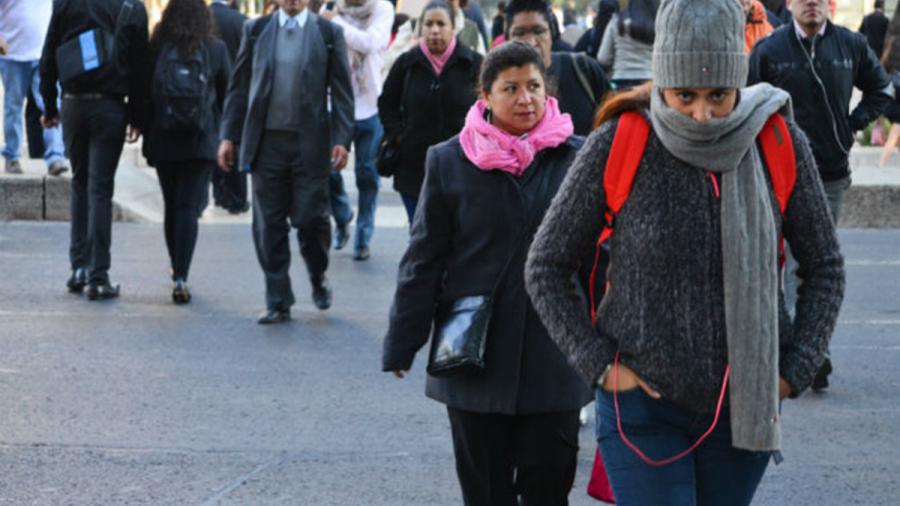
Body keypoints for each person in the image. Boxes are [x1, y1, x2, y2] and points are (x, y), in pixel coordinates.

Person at [526, 0, 845, 503]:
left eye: (719, 95)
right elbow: (546, 265)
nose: (702, 113)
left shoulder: (777, 138)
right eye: (684, 95)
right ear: (660, 83)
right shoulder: (620, 140)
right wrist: (599, 364)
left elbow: (825, 266)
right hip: (642, 410)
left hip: (746, 408)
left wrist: (795, 368)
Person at [383, 41, 589, 506]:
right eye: (510, 88)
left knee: (548, 492)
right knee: (486, 495)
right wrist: (403, 341)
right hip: (474, 359)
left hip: (556, 356)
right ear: (485, 95)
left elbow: (604, 258)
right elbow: (424, 259)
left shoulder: (579, 159)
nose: (525, 99)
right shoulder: (448, 160)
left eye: (534, 86)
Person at [750, 0, 890, 390]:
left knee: (815, 261)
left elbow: (881, 90)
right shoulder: (768, 50)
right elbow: (745, 106)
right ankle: (801, 348)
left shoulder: (852, 45)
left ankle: (807, 349)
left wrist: (851, 126)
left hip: (829, 173)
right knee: (785, 260)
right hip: (777, 172)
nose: (811, 2)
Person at [219, 0, 354, 324]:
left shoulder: (327, 32)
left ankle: (318, 274)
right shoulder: (256, 30)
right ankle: (278, 298)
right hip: (267, 144)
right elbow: (238, 87)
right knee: (269, 225)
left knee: (311, 220)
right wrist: (229, 135)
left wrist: (341, 139)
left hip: (310, 144)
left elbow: (342, 91)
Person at [40, 0, 151, 300]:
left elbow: (49, 54)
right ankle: (99, 276)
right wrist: (138, 117)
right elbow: (141, 68)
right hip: (111, 106)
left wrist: (49, 105)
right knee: (101, 189)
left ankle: (79, 267)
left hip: (74, 103)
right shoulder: (132, 7)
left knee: (80, 182)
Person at [143, 0, 231, 304]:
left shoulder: (157, 45)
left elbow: (143, 90)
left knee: (171, 205)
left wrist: (142, 125)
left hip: (164, 137)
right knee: (188, 208)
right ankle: (182, 273)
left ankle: (175, 267)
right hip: (201, 140)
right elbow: (228, 93)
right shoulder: (215, 49)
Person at [377, 0, 482, 223]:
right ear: (421, 28)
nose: (435, 30)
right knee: (420, 234)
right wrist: (397, 134)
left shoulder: (473, 64)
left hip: (462, 168)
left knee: (455, 235)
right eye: (429, 24)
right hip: (413, 169)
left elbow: (489, 106)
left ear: (453, 28)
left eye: (441, 24)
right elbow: (387, 103)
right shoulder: (406, 63)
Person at [321, 0, 394, 261]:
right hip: (337, 103)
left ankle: (363, 237)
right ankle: (342, 216)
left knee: (367, 174)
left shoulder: (382, 9)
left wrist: (335, 22)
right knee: (328, 170)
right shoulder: (330, 8)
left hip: (371, 104)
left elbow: (371, 42)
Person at [506, 0, 610, 136]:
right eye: (520, 33)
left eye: (539, 31)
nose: (531, 42)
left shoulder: (584, 69)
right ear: (507, 39)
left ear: (551, 35)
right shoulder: (499, 86)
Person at [0, 0, 67, 176]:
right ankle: (12, 156)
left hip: (43, 54)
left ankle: (55, 156)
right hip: (12, 55)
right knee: (12, 107)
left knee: (50, 103)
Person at [210, 0, 250, 215]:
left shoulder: (203, 18)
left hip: (208, 91)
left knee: (215, 139)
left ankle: (219, 193)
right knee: (235, 142)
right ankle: (238, 198)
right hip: (236, 90)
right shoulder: (241, 22)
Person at [384, 0, 485, 78]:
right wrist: (411, 47)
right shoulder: (413, 26)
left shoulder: (471, 31)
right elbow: (387, 64)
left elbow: (484, 73)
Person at [596, 0, 657, 90]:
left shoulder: (616, 21)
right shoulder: (658, 24)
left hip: (621, 83)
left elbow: (603, 58)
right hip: (650, 83)